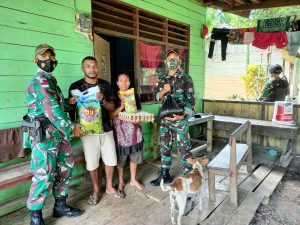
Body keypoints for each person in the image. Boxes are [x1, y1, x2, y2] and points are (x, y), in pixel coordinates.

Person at [26, 44, 83, 225]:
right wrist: (71, 127)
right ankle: (35, 216)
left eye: (51, 57)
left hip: (58, 134)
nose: (48, 60)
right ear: (36, 60)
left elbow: (53, 103)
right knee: (44, 174)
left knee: (65, 168)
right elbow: (51, 109)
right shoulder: (39, 81)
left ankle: (60, 205)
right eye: (44, 57)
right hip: (45, 136)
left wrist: (67, 101)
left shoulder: (50, 80)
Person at [68, 56, 122, 206]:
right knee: (92, 163)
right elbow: (71, 111)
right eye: (88, 66)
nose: (92, 69)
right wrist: (70, 102)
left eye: (94, 66)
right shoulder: (75, 87)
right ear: (83, 68)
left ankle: (110, 187)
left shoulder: (105, 85)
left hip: (106, 128)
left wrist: (103, 100)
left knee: (111, 160)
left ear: (98, 68)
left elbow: (112, 108)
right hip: (88, 132)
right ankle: (96, 190)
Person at [150, 48, 195, 186]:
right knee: (165, 147)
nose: (172, 61)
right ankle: (165, 175)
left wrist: (182, 115)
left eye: (174, 58)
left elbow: (191, 100)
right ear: (166, 61)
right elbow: (157, 97)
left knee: (183, 148)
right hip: (165, 120)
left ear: (179, 61)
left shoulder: (185, 78)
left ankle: (189, 176)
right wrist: (164, 90)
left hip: (180, 120)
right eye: (169, 59)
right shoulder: (162, 78)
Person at [110, 72, 144, 197]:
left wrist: (137, 117)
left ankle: (133, 179)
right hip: (120, 134)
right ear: (117, 83)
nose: (124, 83)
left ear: (129, 83)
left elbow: (139, 112)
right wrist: (121, 107)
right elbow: (110, 115)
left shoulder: (134, 96)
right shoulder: (113, 97)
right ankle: (120, 181)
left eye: (126, 81)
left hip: (134, 131)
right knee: (121, 159)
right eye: (121, 80)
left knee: (135, 155)